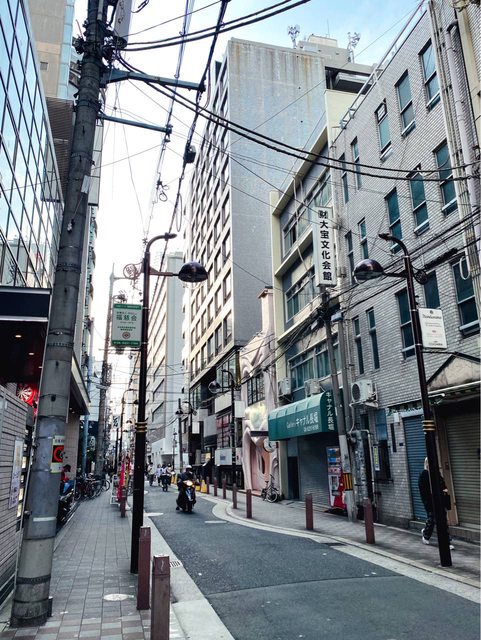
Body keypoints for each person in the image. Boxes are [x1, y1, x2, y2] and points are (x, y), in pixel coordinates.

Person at [418, 457, 454, 550]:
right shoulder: (423, 475)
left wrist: (444, 490)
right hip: (430, 502)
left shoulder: (436, 473)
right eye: (428, 463)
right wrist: (427, 501)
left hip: (440, 501)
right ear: (426, 464)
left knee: (443, 521)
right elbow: (423, 491)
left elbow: (443, 485)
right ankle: (426, 534)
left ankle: (447, 542)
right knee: (432, 520)